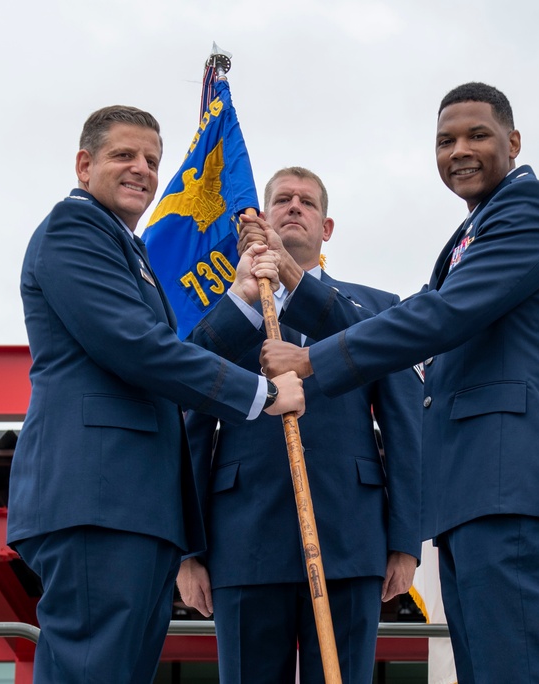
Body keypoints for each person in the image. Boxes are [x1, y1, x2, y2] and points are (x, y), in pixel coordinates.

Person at [261, 84, 539, 683]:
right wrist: (298, 284)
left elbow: (439, 318)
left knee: (516, 669)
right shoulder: (476, 230)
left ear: (514, 142)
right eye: (446, 140)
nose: (459, 150)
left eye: (477, 135)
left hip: (510, 481)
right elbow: (408, 319)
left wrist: (313, 362)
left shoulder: (531, 210)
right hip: (476, 489)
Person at [7, 105, 304, 683]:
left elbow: (166, 350)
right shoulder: (75, 229)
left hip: (132, 502)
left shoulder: (125, 246)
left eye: (151, 160)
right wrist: (262, 394)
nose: (141, 169)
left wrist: (241, 300)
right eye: (124, 155)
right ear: (83, 164)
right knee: (92, 669)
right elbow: (137, 349)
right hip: (98, 496)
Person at [177, 167, 422, 683]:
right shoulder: (228, 308)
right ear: (263, 218)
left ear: (326, 227)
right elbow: (192, 423)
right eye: (282, 199)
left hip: (350, 540)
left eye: (307, 202)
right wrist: (190, 551)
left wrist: (404, 540)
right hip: (243, 539)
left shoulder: (378, 310)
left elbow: (404, 428)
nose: (294, 207)